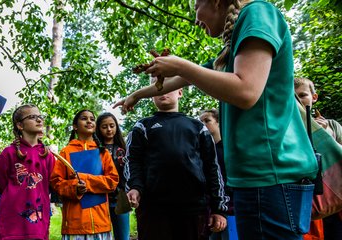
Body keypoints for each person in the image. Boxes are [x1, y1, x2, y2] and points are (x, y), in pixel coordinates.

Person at [114, 0, 319, 238]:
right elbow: (176, 81)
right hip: (253, 178)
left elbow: (246, 91)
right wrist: (136, 95)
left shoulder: (258, 12)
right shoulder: (229, 53)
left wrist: (181, 65)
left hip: (271, 175)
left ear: (216, 2)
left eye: (195, 7)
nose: (195, 18)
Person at [124, 77, 228, 240]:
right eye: (155, 84)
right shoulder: (142, 127)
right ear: (151, 94)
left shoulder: (198, 127)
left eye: (168, 83)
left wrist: (218, 209)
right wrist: (135, 187)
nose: (161, 87)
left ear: (180, 91)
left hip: (193, 208)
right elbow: (132, 161)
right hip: (153, 209)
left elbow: (212, 168)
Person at [50, 109, 119, 239]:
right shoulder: (65, 152)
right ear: (75, 126)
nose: (89, 121)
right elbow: (56, 182)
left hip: (101, 222)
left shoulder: (102, 152)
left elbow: (112, 181)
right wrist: (74, 187)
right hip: (75, 224)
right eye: (84, 118)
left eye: (92, 119)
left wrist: (85, 180)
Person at [0, 104, 55, 240]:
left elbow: (50, 185)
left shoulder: (48, 155)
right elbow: (1, 184)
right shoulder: (8, 153)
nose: (39, 120)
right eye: (33, 117)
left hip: (38, 216)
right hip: (12, 217)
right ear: (20, 125)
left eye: (40, 117)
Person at [295, 77, 342, 240]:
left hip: (336, 195)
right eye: (294, 97)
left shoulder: (332, 125)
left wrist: (327, 135)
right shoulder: (290, 128)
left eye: (302, 95)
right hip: (310, 199)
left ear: (314, 97)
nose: (299, 101)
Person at [200, 109, 238, 240]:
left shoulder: (230, 149)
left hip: (232, 209)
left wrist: (225, 210)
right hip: (211, 210)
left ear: (218, 123)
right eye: (201, 121)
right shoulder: (204, 152)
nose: (203, 124)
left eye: (207, 120)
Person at [96, 112, 130, 240]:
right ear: (98, 128)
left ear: (116, 126)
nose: (109, 129)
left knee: (123, 236)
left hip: (120, 197)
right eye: (104, 126)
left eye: (112, 125)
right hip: (99, 198)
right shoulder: (95, 150)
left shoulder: (124, 149)